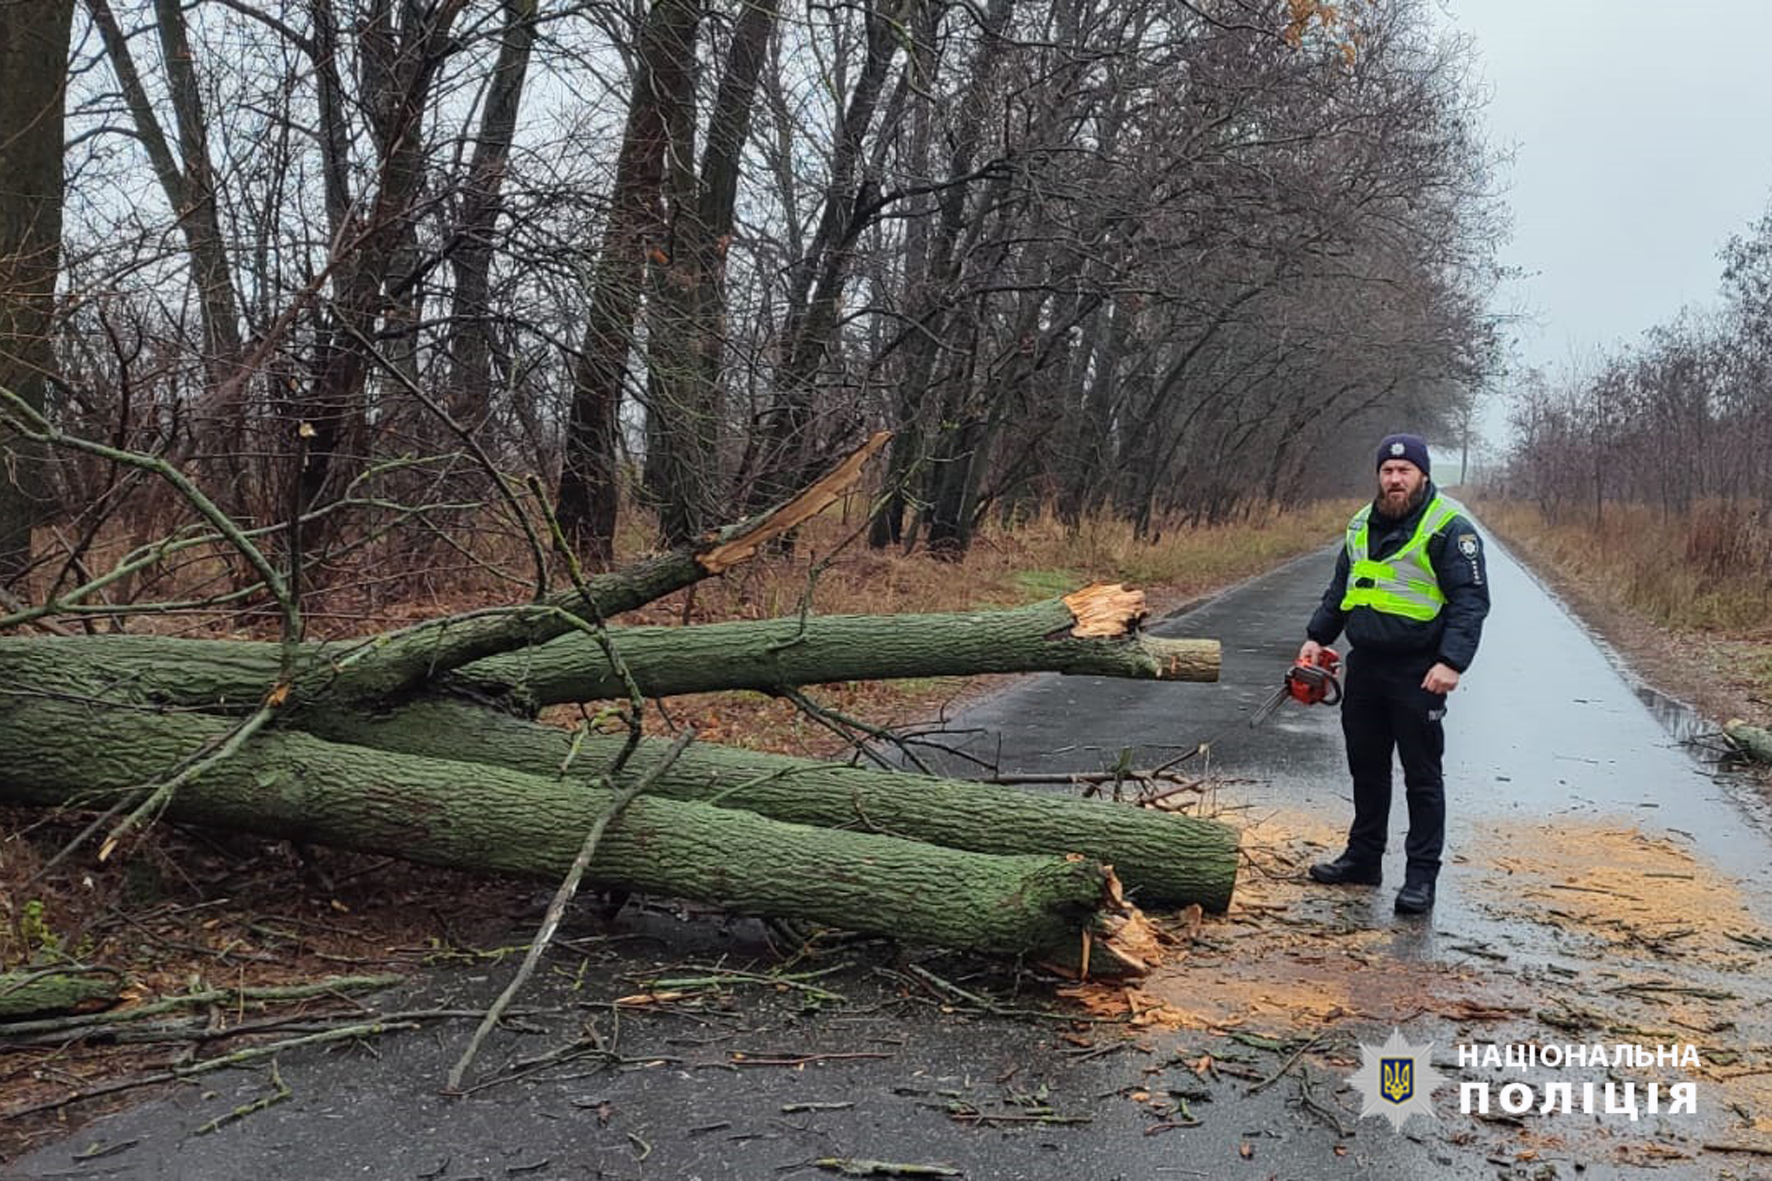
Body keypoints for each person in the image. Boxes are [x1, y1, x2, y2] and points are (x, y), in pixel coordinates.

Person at [1299, 432, 1489, 914]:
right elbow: (1341, 587)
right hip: (1366, 667)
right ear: (1379, 476)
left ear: (1423, 475)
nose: (1395, 479)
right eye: (1387, 471)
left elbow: (1470, 602)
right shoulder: (1361, 524)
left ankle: (1420, 879)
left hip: (1420, 671)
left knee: (1422, 777)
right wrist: (1317, 637)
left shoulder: (1451, 528)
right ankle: (1363, 860)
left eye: (1405, 471)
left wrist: (1452, 663)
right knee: (1367, 769)